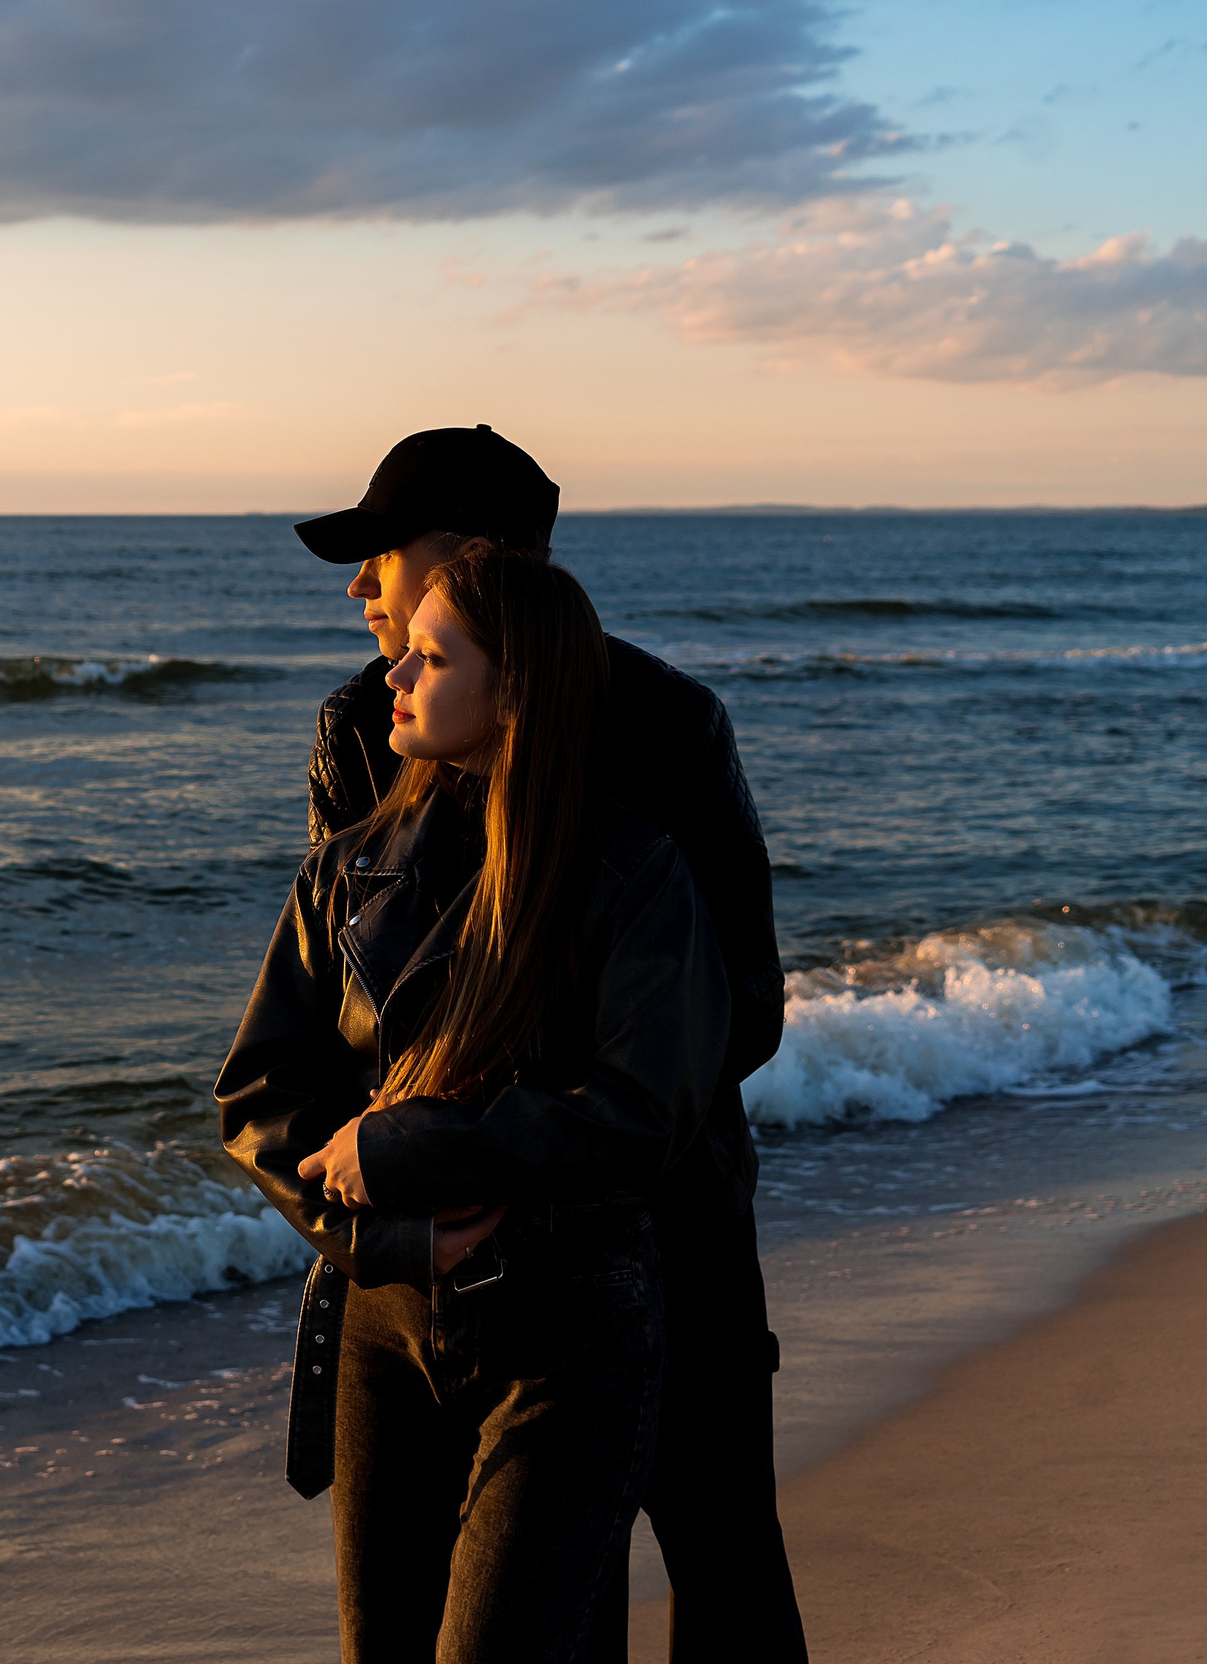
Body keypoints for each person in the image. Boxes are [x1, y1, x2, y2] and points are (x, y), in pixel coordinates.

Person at [286, 427, 806, 1661]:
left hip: (664, 1229)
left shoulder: (670, 724)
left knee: (724, 1562)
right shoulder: (361, 726)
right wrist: (391, 1209)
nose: (358, 585)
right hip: (442, 1268)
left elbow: (746, 1003)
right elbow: (347, 1016)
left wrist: (515, 1129)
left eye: (381, 554)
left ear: (472, 555)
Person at [217, 544, 736, 1662]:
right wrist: (382, 1229)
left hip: (572, 1329)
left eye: (430, 657)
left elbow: (646, 1110)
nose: (393, 677)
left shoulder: (632, 873)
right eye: (404, 655)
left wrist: (413, 1143)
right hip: (383, 1324)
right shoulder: (346, 869)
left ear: (515, 690)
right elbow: (261, 1094)